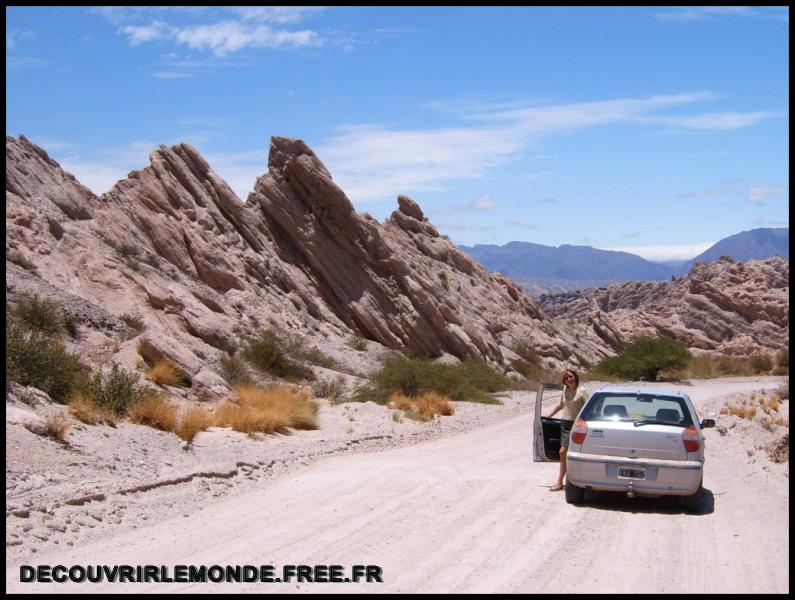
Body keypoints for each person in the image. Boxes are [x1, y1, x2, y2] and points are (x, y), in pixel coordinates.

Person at [546, 369, 588, 491]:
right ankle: (561, 482)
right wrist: (549, 415)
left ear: (575, 377)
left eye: (571, 376)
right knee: (563, 453)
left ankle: (569, 481)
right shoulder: (565, 390)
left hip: (578, 425)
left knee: (565, 453)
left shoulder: (582, 391)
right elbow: (561, 405)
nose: (569, 379)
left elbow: (589, 407)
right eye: (566, 378)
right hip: (565, 424)